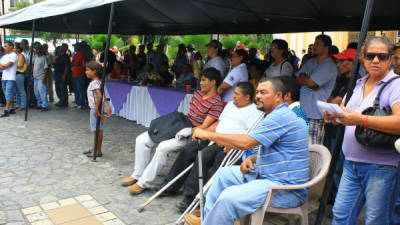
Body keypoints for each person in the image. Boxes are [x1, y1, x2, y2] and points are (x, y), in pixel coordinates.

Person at [184, 77, 309, 225]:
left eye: (263, 92)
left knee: (228, 197)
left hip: (284, 189)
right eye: (257, 92)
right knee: (224, 174)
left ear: (279, 96)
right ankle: (208, 220)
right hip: (267, 176)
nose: (258, 96)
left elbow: (246, 142)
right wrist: (254, 159)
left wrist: (206, 134)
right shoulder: (275, 115)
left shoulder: (280, 117)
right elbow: (282, 151)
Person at [322, 37, 400, 225]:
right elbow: (345, 112)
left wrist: (361, 119)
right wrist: (334, 117)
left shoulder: (395, 84)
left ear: (390, 59)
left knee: (376, 220)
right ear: (363, 57)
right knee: (341, 215)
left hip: (381, 166)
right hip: (351, 163)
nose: (375, 60)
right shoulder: (357, 84)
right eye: (370, 55)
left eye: (381, 56)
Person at [120, 68, 224, 195]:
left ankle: (143, 183)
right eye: (200, 80)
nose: (200, 83)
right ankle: (137, 175)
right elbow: (190, 115)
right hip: (180, 124)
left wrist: (187, 130)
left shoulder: (217, 103)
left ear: (213, 82)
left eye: (203, 80)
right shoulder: (198, 94)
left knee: (163, 148)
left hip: (191, 133)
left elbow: (204, 126)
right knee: (142, 139)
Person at [164, 82, 262, 212]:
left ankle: (199, 198)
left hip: (231, 145)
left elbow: (247, 136)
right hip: (215, 138)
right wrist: (204, 133)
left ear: (247, 97)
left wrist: (231, 145)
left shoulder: (254, 112)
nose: (233, 96)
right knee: (190, 150)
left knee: (207, 157)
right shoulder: (230, 106)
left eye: (237, 94)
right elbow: (217, 124)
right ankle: (176, 189)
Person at [296, 34, 338, 144]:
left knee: (313, 150)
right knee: (301, 148)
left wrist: (306, 79)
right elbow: (297, 78)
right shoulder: (311, 62)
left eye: (317, 44)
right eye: (314, 44)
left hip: (316, 115)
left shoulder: (329, 65)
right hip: (303, 113)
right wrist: (308, 81)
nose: (314, 47)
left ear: (326, 48)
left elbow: (312, 83)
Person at [83, 61, 104, 157]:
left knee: (97, 130)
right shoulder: (97, 82)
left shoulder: (94, 83)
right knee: (97, 130)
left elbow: (99, 96)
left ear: (94, 71)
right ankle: (94, 148)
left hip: (95, 109)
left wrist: (96, 108)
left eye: (87, 70)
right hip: (97, 108)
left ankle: (97, 150)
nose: (86, 72)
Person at [0, 41, 18, 117]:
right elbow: (2, 67)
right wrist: (3, 66)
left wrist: (3, 66)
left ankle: (7, 109)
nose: (5, 47)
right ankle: (12, 107)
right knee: (6, 93)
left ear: (11, 47)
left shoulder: (14, 55)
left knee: (8, 93)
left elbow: (7, 66)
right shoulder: (4, 56)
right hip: (4, 77)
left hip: (11, 77)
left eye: (6, 46)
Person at [32, 42, 49, 111]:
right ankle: (39, 104)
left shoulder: (44, 58)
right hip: (35, 77)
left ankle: (45, 105)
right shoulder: (35, 57)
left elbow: (46, 69)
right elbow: (33, 65)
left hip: (41, 77)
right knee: (36, 92)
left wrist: (44, 78)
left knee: (42, 92)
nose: (36, 51)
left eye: (37, 49)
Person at [72, 43, 86, 109]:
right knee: (76, 89)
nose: (74, 48)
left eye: (75, 46)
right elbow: (73, 63)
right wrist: (75, 63)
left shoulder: (81, 54)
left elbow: (77, 63)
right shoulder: (76, 54)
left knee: (80, 89)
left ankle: (81, 103)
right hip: (75, 74)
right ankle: (78, 102)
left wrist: (75, 63)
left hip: (80, 74)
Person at [14, 43, 27, 111]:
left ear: (18, 49)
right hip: (15, 74)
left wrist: (12, 64)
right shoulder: (15, 56)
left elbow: (20, 65)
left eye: (14, 48)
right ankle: (18, 104)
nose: (13, 49)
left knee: (21, 90)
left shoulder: (21, 56)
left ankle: (23, 105)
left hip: (19, 74)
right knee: (17, 91)